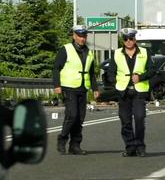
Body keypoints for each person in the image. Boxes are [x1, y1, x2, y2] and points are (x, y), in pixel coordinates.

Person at [53, 25, 99, 155]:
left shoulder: (89, 52)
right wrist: (57, 85)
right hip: (69, 87)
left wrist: (95, 88)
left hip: (83, 88)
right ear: (74, 36)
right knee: (72, 115)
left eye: (84, 36)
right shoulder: (65, 49)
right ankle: (62, 139)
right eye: (79, 36)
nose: (82, 38)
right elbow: (56, 68)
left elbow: (91, 72)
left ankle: (75, 145)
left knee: (80, 118)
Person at [109, 28, 155, 157]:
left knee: (140, 118)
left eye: (131, 38)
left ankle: (140, 146)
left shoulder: (145, 52)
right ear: (122, 40)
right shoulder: (117, 53)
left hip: (139, 91)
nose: (128, 41)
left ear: (135, 39)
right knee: (125, 120)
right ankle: (130, 147)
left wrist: (140, 77)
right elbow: (111, 71)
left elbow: (152, 70)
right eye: (125, 39)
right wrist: (115, 84)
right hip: (123, 91)